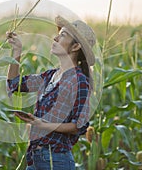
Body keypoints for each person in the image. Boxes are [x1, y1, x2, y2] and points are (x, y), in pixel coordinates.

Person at [6, 15, 96, 170]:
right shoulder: (49, 76)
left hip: (56, 160)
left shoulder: (79, 81)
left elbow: (79, 125)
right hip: (35, 158)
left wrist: (44, 125)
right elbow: (15, 84)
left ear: (75, 47)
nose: (55, 38)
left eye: (62, 35)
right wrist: (17, 50)